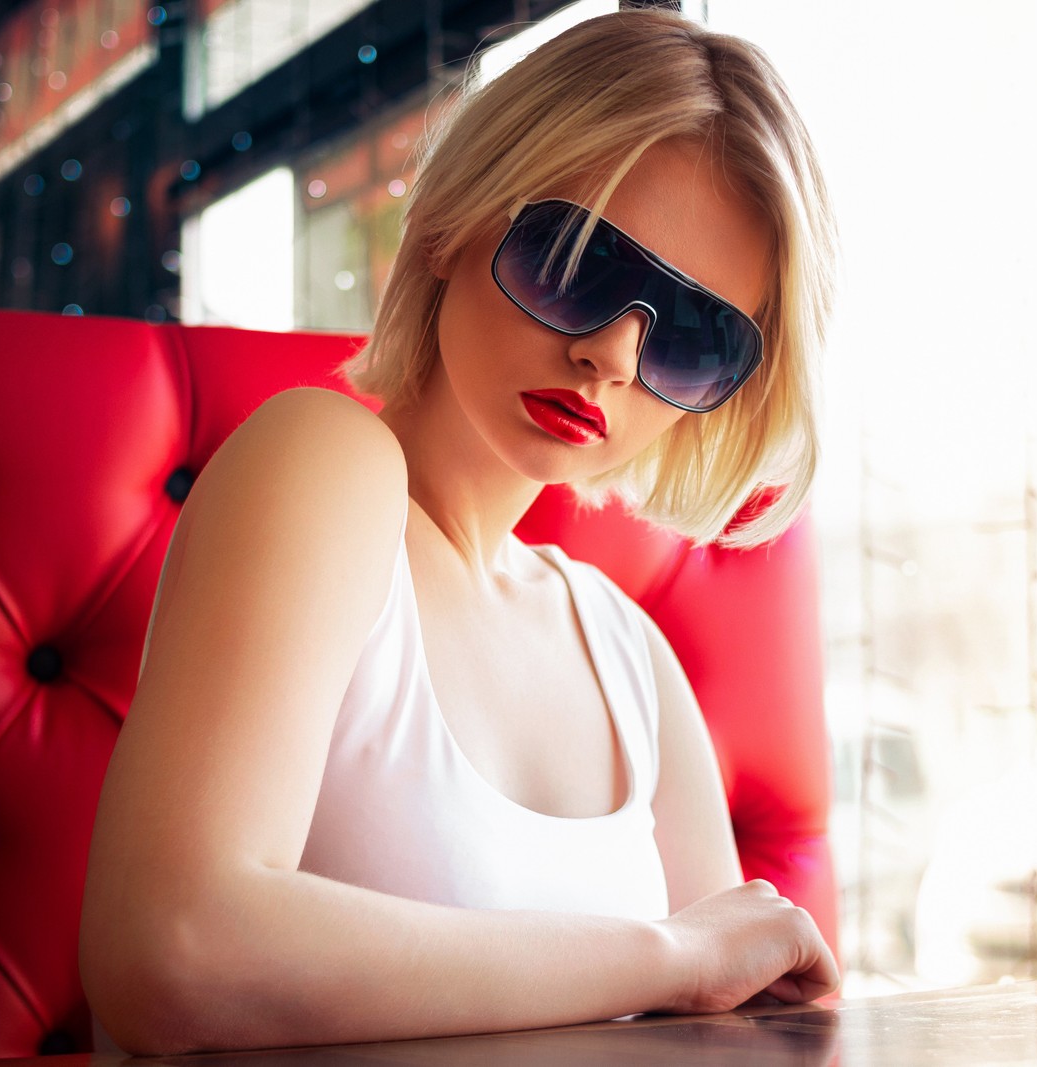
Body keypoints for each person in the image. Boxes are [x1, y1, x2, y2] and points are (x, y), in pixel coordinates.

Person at [79, 7, 839, 1054]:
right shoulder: (325, 464)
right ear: (449, 222)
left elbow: (724, 1017)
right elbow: (169, 947)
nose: (614, 356)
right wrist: (662, 954)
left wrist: (693, 962)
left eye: (695, 334)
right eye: (577, 260)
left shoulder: (629, 654)